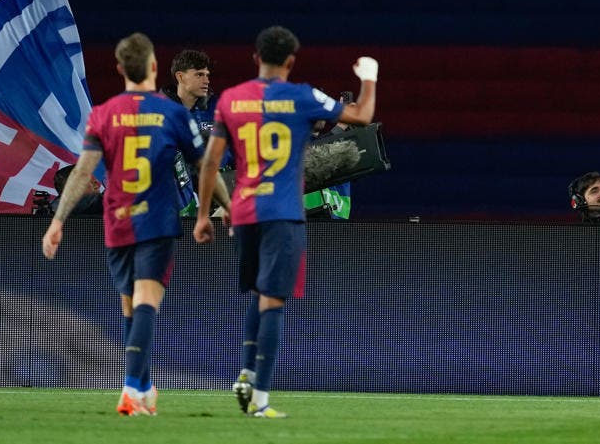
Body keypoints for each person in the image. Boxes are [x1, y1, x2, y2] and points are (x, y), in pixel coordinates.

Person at [195, 26, 378, 419]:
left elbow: (210, 162)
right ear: (291, 61)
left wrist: (202, 214)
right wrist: (369, 77)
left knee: (258, 292)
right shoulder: (302, 97)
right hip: (283, 214)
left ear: (255, 57)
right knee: (274, 303)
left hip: (243, 212)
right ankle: (260, 400)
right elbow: (362, 115)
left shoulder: (230, 99)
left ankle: (245, 371)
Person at [40, 33, 210, 417]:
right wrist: (223, 209)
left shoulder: (104, 113)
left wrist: (58, 221)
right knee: (146, 305)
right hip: (158, 221)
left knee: (131, 311)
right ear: (153, 68)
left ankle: (144, 387)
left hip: (117, 222)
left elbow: (83, 172)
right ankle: (132, 389)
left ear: (119, 69)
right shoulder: (172, 114)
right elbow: (205, 167)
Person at [168, 49, 218, 220]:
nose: (206, 81)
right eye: (199, 75)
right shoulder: (156, 112)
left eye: (207, 75)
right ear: (180, 77)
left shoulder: (218, 110)